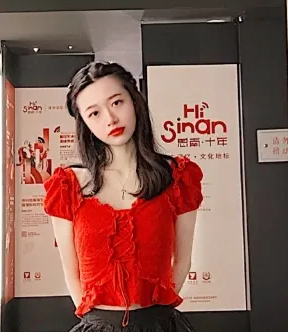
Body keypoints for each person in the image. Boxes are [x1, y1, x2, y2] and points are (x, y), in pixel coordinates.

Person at [44, 61, 201, 332]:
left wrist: (154, 317)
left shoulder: (177, 176)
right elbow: (72, 274)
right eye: (94, 113)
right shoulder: (68, 186)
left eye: (117, 103)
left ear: (134, 100)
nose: (110, 119)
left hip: (159, 324)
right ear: (85, 123)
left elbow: (183, 261)